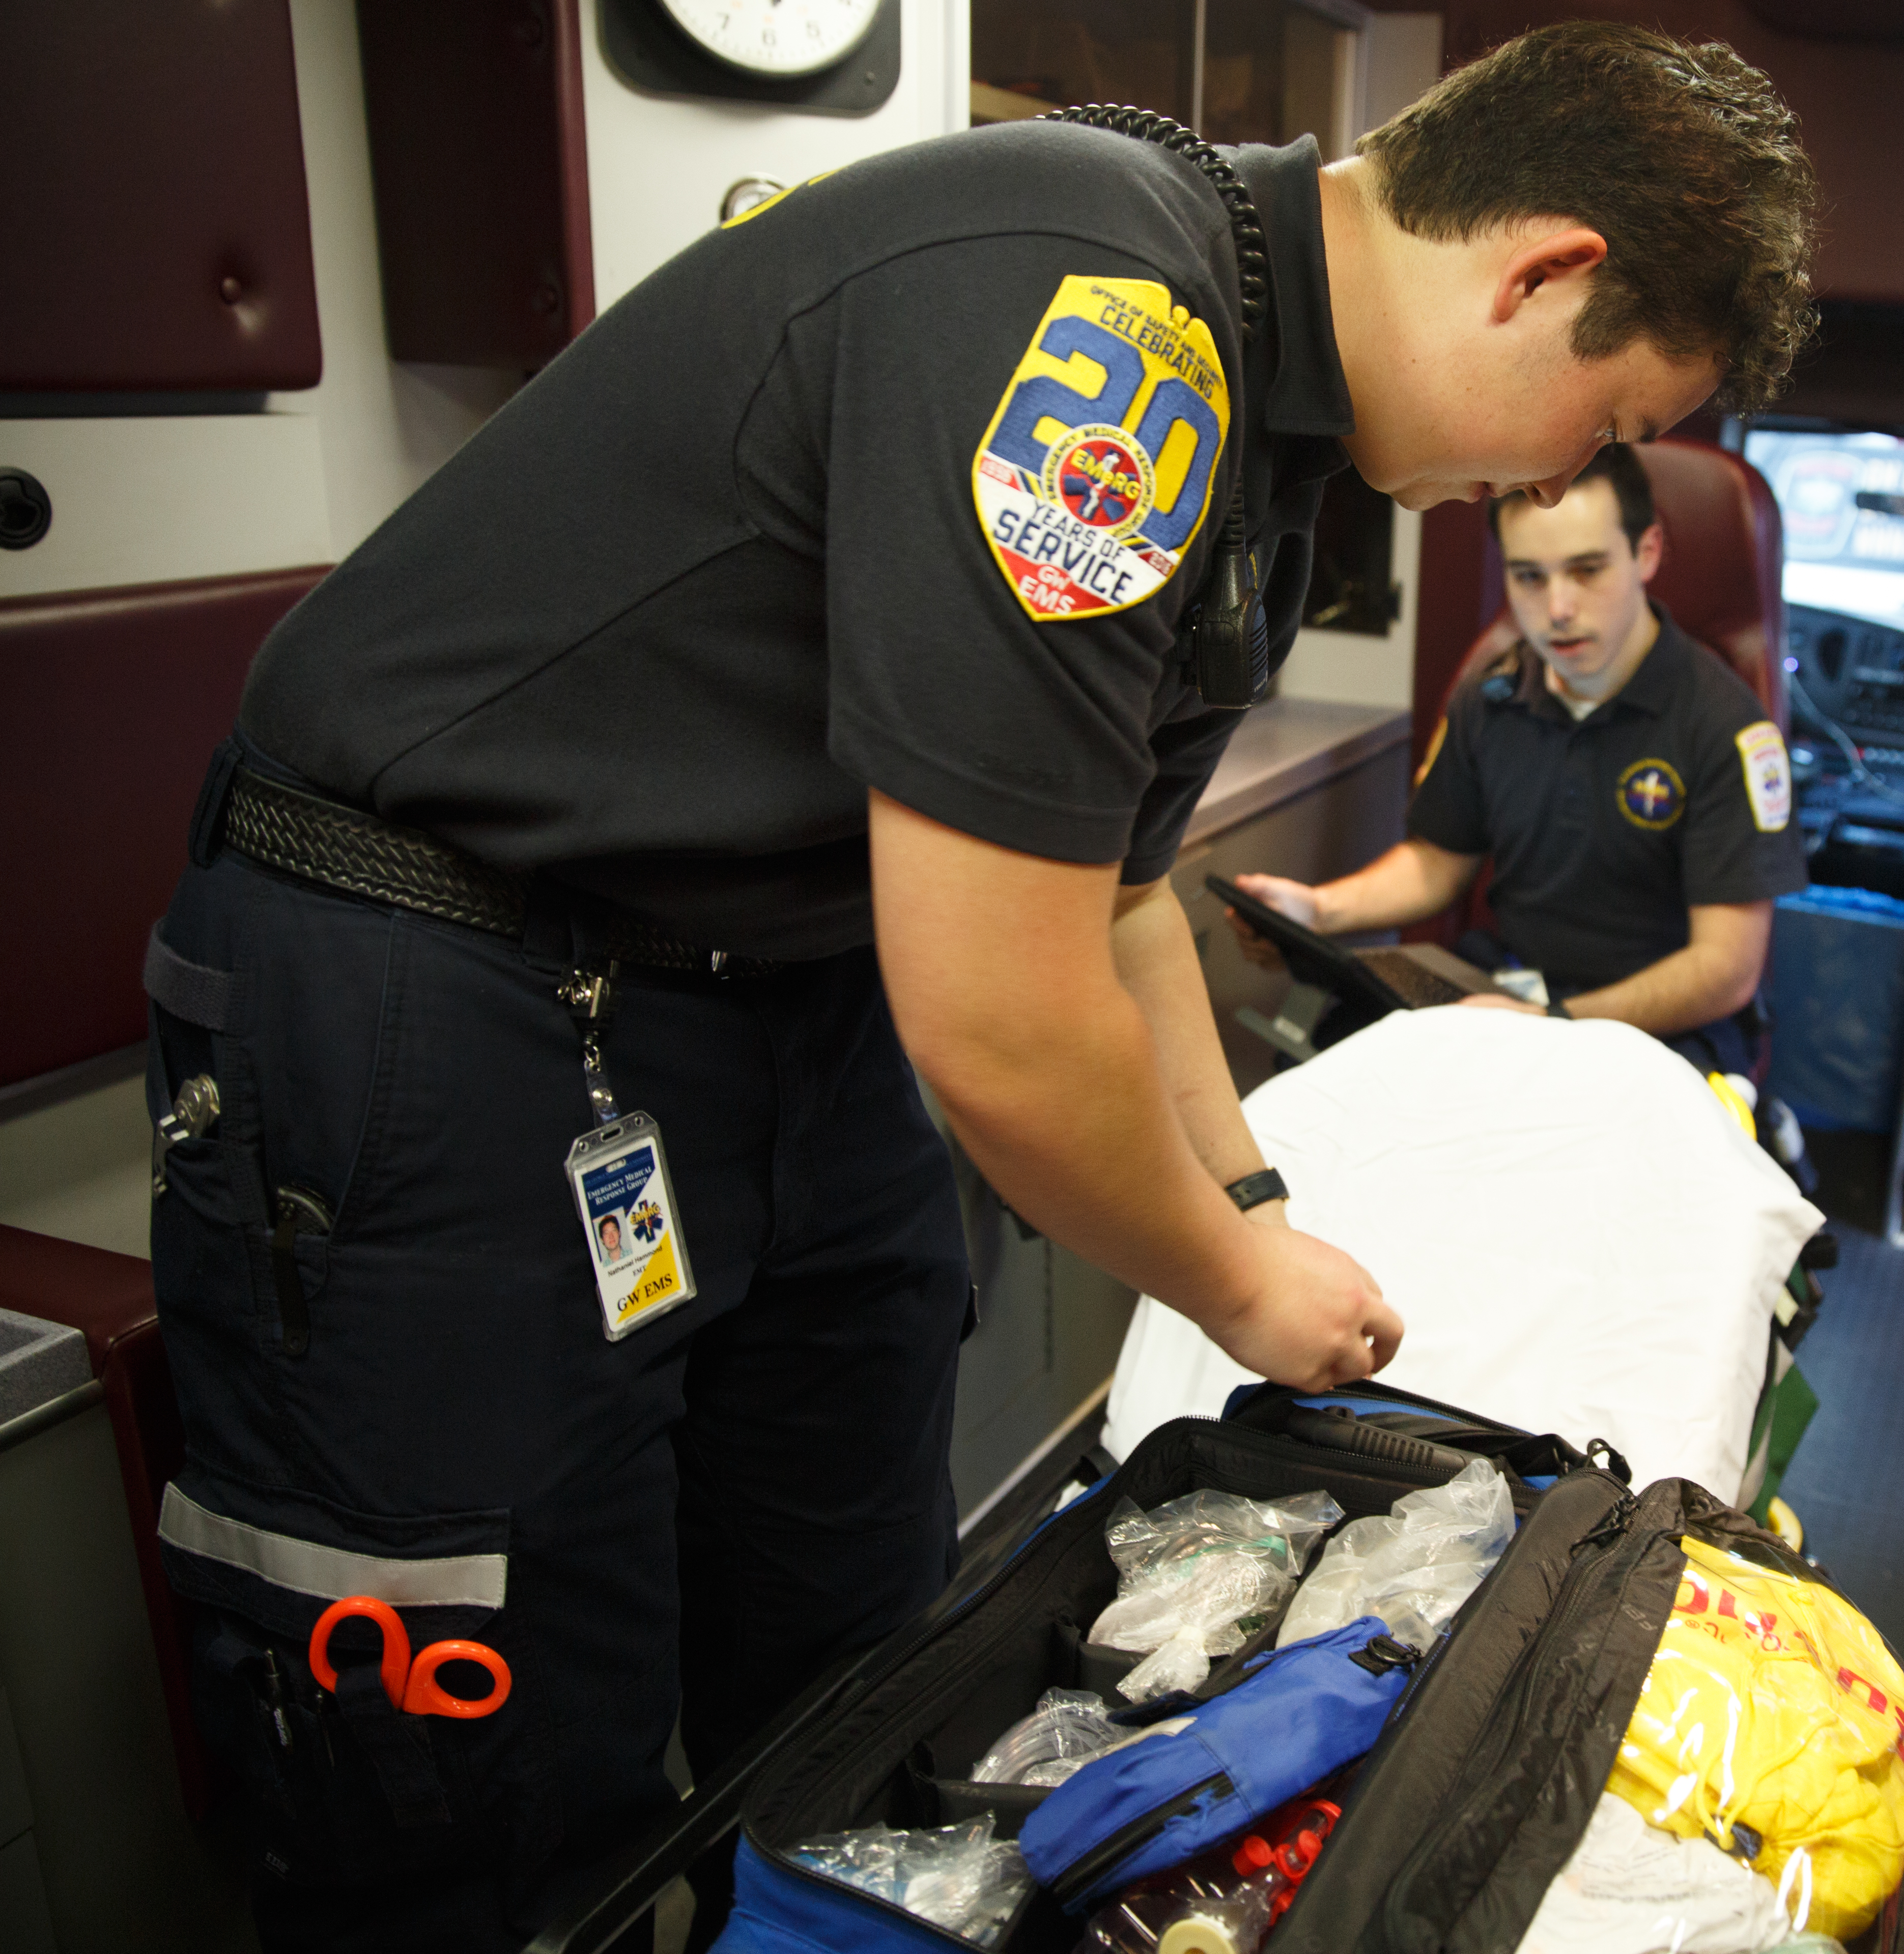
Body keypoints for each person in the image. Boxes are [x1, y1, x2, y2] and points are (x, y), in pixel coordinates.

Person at [137, 20, 1816, 1950]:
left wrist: (1254, 1196)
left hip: (775, 1003)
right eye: (1605, 418)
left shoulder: (1265, 456)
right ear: (1537, 273)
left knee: (860, 1686)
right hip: (443, 981)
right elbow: (1004, 1024)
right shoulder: (1095, 314)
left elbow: (1119, 899)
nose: (1565, 480)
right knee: (495, 1780)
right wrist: (1233, 1282)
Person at [1231, 443, 1807, 1080]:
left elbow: (1725, 970)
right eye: (1530, 577)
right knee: (1335, 1067)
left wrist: (1553, 1022)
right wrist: (1317, 911)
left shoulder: (1726, 726)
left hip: (1661, 1034)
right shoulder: (1493, 696)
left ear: (1646, 553)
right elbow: (1437, 864)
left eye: (1587, 570)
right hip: (1512, 992)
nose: (1558, 609)